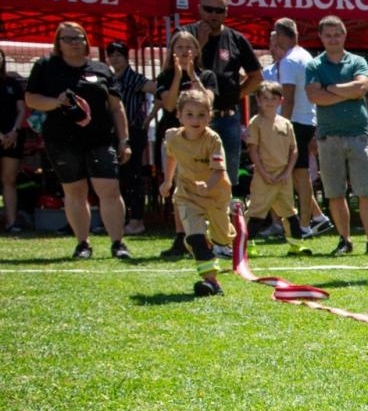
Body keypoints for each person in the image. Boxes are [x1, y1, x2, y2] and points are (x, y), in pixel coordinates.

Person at [23, 22, 132, 261]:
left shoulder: (102, 69)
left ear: (86, 41)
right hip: (61, 140)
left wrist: (124, 140)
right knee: (75, 191)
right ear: (58, 43)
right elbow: (31, 99)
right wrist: (56, 102)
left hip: (100, 139)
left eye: (79, 38)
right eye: (68, 38)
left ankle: (118, 243)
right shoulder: (45, 67)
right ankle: (83, 243)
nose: (74, 43)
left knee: (109, 190)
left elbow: (116, 107)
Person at [306, 15, 368, 256]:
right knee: (335, 192)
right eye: (328, 35)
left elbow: (362, 87)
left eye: (337, 34)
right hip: (328, 137)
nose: (333, 39)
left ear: (344, 35)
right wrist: (347, 92)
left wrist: (330, 89)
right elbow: (314, 96)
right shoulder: (314, 65)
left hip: (358, 136)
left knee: (366, 191)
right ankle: (345, 240)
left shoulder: (357, 61)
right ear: (321, 37)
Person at [152, 30, 220, 259]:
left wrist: (192, 76)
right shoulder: (164, 77)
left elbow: (208, 101)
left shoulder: (207, 75)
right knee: (179, 188)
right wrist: (178, 76)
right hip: (176, 139)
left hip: (202, 140)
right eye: (179, 47)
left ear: (196, 51)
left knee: (207, 184)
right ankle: (182, 236)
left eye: (189, 47)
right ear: (172, 51)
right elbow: (170, 106)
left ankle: (210, 235)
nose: (184, 52)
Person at [184, 0, 262, 185]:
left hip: (226, 117)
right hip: (194, 118)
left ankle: (225, 213)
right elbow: (179, 71)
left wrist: (237, 95)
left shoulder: (236, 39)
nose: (213, 15)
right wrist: (199, 44)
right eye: (208, 9)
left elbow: (256, 76)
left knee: (227, 177)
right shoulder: (186, 35)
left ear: (226, 12)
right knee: (196, 175)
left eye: (218, 10)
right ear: (199, 9)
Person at [158, 88, 230, 296]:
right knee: (195, 238)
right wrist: (167, 181)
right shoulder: (172, 137)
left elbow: (219, 171)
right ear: (179, 115)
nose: (195, 119)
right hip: (188, 194)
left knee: (222, 240)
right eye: (189, 114)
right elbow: (172, 157)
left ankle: (228, 227)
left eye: (201, 114)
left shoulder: (213, 139)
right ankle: (211, 282)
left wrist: (208, 185)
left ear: (209, 116)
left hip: (216, 194)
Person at [267, 19, 331, 239]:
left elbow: (288, 98)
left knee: (300, 176)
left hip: (294, 122)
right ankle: (317, 217)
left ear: (281, 35)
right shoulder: (305, 55)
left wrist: (280, 127)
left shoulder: (289, 60)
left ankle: (304, 224)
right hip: (307, 121)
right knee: (297, 175)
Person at [243, 81, 306, 256]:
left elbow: (294, 150)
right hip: (264, 176)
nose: (269, 102)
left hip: (284, 176)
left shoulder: (286, 124)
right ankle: (245, 244)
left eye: (274, 98)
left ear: (281, 101)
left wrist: (287, 172)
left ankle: (296, 244)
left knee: (289, 210)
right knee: (257, 210)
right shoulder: (256, 123)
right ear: (258, 100)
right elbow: (253, 150)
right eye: (265, 98)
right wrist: (263, 173)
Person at [104, 41, 155, 236]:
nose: (115, 58)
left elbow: (157, 90)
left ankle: (137, 220)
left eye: (119, 54)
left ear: (126, 57)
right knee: (115, 178)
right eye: (112, 55)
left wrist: (149, 116)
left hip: (132, 131)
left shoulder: (134, 78)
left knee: (133, 176)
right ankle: (121, 219)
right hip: (112, 132)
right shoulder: (108, 79)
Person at [1, 51, 25, 233]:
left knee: (9, 179)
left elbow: (21, 109)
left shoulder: (12, 83)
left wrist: (15, 131)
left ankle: (12, 222)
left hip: (13, 136)